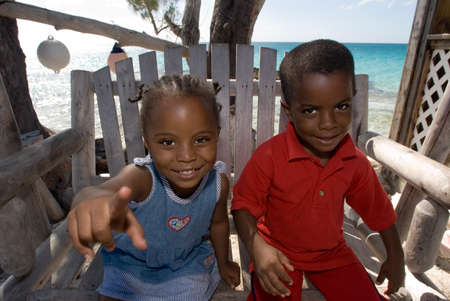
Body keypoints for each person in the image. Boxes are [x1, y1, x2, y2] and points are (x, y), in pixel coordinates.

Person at [231, 39, 405, 301]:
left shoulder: (353, 162)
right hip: (277, 252)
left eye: (341, 106)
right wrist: (258, 247)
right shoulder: (269, 156)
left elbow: (379, 211)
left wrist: (396, 257)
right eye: (310, 110)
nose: (328, 124)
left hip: (331, 253)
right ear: (289, 111)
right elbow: (242, 205)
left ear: (352, 100)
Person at [68, 74, 240, 301]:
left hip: (184, 264)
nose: (187, 156)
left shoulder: (217, 184)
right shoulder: (142, 178)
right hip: (131, 263)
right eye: (167, 142)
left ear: (217, 136)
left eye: (201, 140)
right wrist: (90, 199)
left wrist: (224, 261)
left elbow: (218, 223)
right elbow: (104, 190)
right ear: (147, 143)